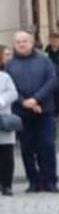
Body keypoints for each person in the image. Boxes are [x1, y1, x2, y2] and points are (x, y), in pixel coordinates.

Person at [7, 31, 59, 193]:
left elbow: (52, 81)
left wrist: (36, 99)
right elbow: (9, 88)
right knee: (27, 148)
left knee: (47, 145)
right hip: (21, 112)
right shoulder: (9, 65)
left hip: (44, 110)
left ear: (31, 43)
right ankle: (33, 181)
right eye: (18, 42)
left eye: (25, 41)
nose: (22, 44)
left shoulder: (44, 61)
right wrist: (24, 102)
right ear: (14, 45)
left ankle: (50, 181)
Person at [0, 47, 18, 196]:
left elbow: (13, 93)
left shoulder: (4, 77)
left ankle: (6, 184)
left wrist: (1, 101)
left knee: (6, 154)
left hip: (3, 119)